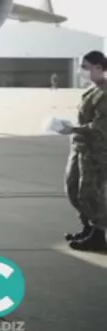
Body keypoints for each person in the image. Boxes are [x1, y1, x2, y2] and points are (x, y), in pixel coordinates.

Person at [61, 51, 107, 252]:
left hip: (97, 152)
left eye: (86, 67)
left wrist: (73, 129)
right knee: (73, 190)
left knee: (90, 193)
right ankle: (87, 228)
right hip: (81, 147)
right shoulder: (92, 91)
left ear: (99, 68)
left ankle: (98, 234)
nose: (83, 71)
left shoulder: (105, 93)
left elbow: (99, 127)